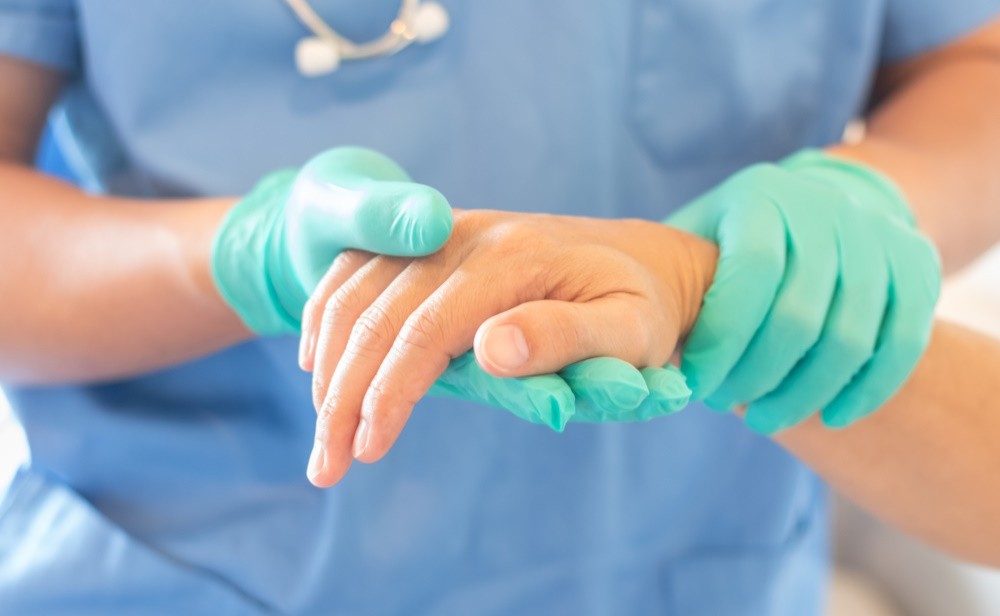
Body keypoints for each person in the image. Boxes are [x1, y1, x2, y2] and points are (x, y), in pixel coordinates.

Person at [0, 2, 998, 614]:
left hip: (685, 556)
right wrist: (238, 256)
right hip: (199, 566)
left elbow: (972, 63)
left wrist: (863, 210)